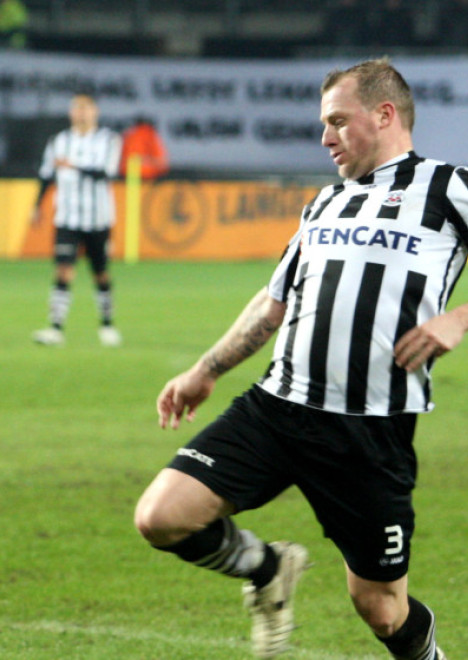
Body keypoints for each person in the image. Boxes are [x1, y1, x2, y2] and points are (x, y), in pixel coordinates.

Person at [134, 58, 458, 660]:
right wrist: (205, 369)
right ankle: (267, 568)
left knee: (383, 610)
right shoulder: (324, 204)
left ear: (385, 114)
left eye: (337, 121)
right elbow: (274, 302)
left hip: (370, 432)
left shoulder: (448, 187)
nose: (324, 137)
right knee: (161, 515)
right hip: (278, 408)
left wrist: (458, 319)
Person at [29, 92, 122, 347]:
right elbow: (47, 174)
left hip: (98, 218)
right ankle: (55, 328)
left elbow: (105, 172)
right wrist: (37, 205)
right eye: (76, 108)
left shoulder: (108, 140)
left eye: (85, 108)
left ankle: (107, 324)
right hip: (67, 217)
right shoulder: (58, 141)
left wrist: (72, 165)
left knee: (100, 272)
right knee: (63, 269)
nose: (80, 113)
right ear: (71, 113)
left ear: (95, 112)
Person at [119, 115, 168, 180]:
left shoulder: (128, 134)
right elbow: (162, 162)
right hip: (149, 174)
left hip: (131, 175)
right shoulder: (150, 134)